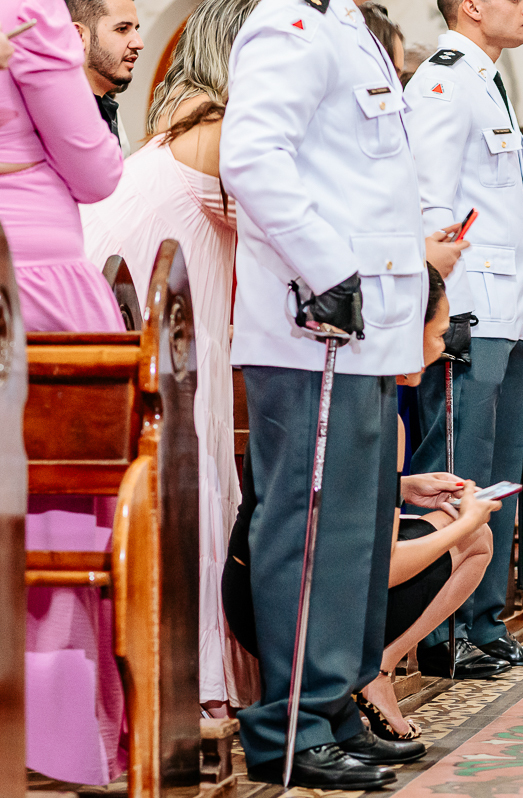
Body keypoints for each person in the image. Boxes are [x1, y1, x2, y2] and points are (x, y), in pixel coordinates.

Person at [220, 0, 431, 784]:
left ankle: (335, 700)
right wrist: (325, 269)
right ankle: (291, 725)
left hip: (365, 327)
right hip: (316, 324)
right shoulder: (289, 23)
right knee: (310, 531)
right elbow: (251, 157)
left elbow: (373, 180)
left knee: (358, 531)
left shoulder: (343, 23)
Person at [223, 267, 500, 742]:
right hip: (295, 614)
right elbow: (383, 569)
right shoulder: (379, 418)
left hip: (253, 592)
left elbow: (328, 505)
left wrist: (402, 487)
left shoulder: (340, 388)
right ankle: (375, 670)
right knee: (474, 537)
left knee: (464, 530)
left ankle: (377, 670)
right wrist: (464, 523)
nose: (442, 348)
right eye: (436, 335)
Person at [81, 0, 263, 717]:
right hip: (152, 319)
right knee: (194, 474)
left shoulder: (190, 114)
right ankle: (193, 688)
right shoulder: (217, 127)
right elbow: (290, 217)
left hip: (167, 314)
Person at [401, 0, 523, 678]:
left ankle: (483, 620)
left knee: (498, 474)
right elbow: (433, 204)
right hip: (467, 311)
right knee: (457, 467)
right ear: (470, 6)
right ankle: (440, 630)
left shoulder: (485, 79)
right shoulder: (442, 80)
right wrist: (440, 312)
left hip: (508, 310)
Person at [1, 0, 126, 783]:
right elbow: (98, 168)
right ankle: (48, 732)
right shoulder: (29, 10)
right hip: (31, 282)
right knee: (55, 506)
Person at [65, 0, 142, 155]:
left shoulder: (107, 108)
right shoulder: (59, 116)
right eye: (122, 29)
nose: (139, 43)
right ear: (79, 36)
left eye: (136, 29)